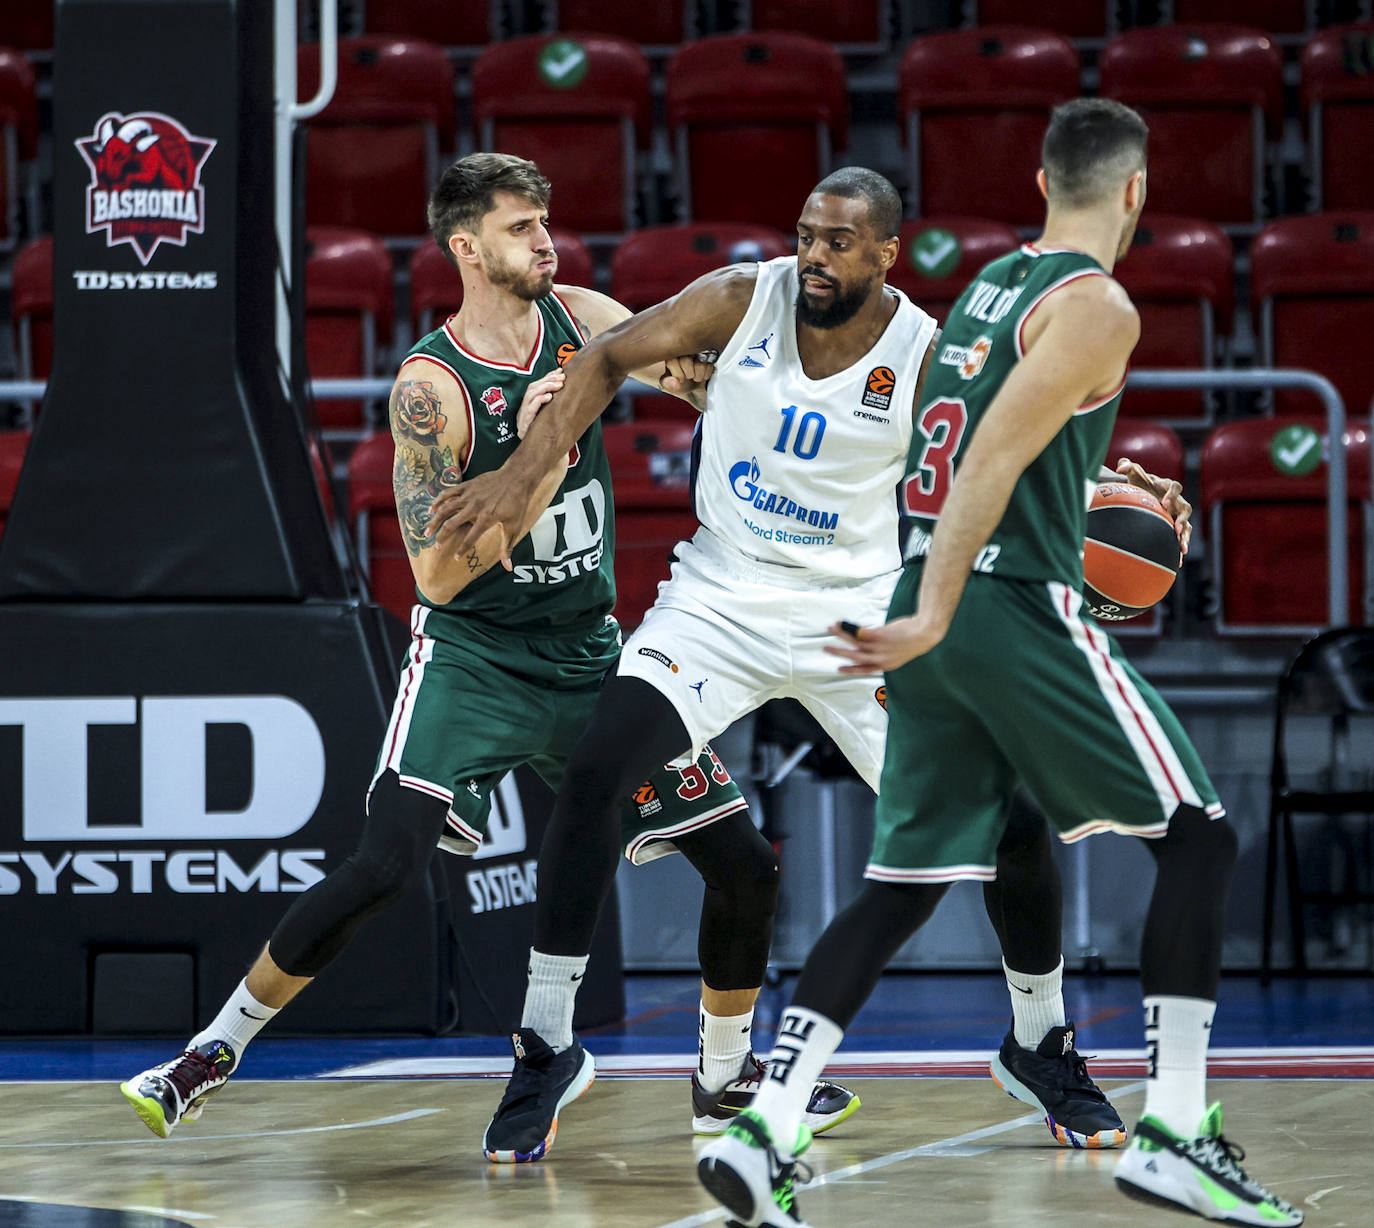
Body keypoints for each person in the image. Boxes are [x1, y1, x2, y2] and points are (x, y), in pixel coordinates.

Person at [429, 164, 1196, 1164]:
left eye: (839, 242)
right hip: (723, 595)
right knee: (592, 774)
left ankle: (1039, 1037)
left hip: (854, 616)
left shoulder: (928, 351)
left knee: (1009, 822)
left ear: (886, 254)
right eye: (806, 234)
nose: (815, 256)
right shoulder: (742, 297)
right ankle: (546, 1042)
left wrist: (1112, 480)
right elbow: (612, 350)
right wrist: (523, 470)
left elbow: (1015, 441)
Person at [118, 152, 859, 1159]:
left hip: (593, 652)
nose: (546, 241)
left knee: (743, 865)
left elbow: (708, 385)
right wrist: (549, 446)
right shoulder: (433, 387)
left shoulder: (588, 317)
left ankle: (724, 1077)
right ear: (465, 248)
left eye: (546, 221)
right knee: (385, 863)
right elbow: (437, 577)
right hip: (476, 656)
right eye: (521, 228)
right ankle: (209, 1051)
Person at [690, 100, 1305, 1227]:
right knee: (1201, 835)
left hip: (933, 599)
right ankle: (1175, 1129)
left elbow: (983, 435)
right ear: (1135, 193)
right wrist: (936, 609)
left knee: (905, 885)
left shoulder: (987, 288)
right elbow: (987, 452)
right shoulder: (1102, 305)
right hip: (1004, 606)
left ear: (1040, 182)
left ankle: (768, 1121)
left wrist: (1094, 486)